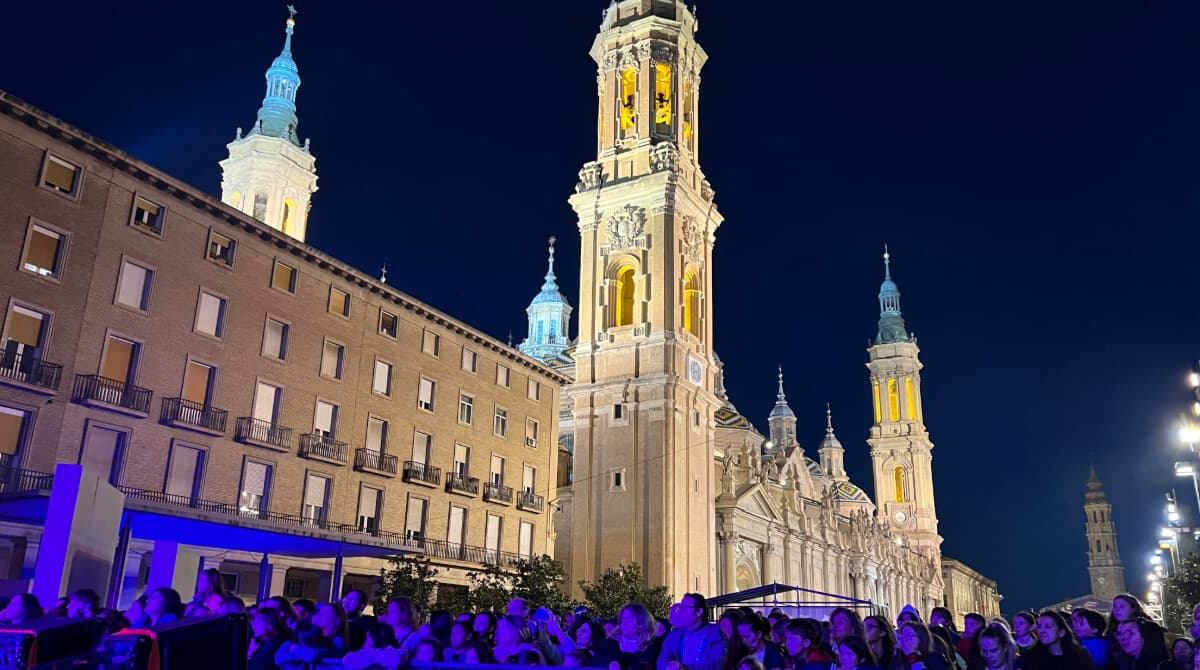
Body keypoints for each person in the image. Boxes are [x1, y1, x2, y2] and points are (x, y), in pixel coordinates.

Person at [658, 593, 726, 670]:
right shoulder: (675, 635)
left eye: (685, 608)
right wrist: (668, 666)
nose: (680, 612)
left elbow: (717, 663)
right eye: (681, 608)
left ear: (699, 612)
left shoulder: (715, 633)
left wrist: (687, 668)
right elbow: (662, 660)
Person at [275, 602, 348, 668]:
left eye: (324, 614)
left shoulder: (338, 642)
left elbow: (312, 655)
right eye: (318, 613)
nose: (317, 616)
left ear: (337, 621)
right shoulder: (308, 636)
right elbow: (278, 659)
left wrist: (294, 649)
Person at [596, 602, 666, 670]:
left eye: (629, 618)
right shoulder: (611, 643)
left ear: (640, 623)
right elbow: (596, 664)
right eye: (623, 618)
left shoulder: (652, 644)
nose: (624, 622)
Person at [1022, 611, 1093, 670]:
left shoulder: (1080, 655)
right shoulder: (1030, 657)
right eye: (1039, 627)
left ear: (1061, 632)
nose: (1042, 631)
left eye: (1048, 627)